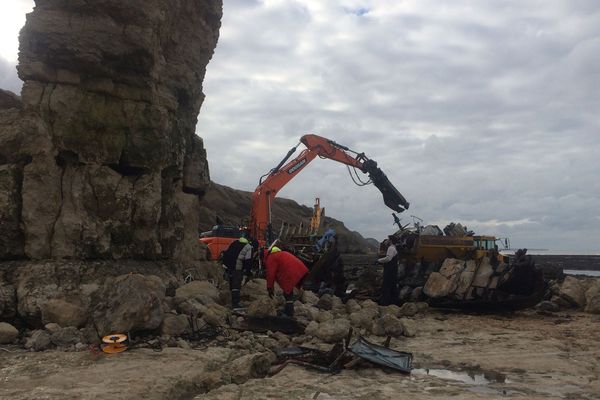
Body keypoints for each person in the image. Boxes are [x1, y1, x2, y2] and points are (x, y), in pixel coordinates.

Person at [263, 246, 309, 317]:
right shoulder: (282, 253)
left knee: (288, 293)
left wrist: (269, 288)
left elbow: (270, 274)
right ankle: (289, 310)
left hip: (291, 273)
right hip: (301, 270)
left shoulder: (271, 258)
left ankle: (289, 313)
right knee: (288, 292)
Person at [222, 237, 253, 309]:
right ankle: (235, 304)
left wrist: (225, 265)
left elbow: (225, 252)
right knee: (236, 285)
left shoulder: (233, 243)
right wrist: (247, 272)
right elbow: (248, 260)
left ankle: (231, 302)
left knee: (231, 284)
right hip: (237, 268)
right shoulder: (248, 247)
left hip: (228, 266)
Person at [377, 235, 399, 306]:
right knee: (392, 285)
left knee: (386, 285)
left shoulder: (391, 248)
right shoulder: (394, 248)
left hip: (390, 270)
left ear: (391, 241)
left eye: (388, 239)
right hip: (393, 269)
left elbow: (388, 258)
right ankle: (394, 301)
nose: (387, 241)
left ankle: (385, 302)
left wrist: (379, 261)